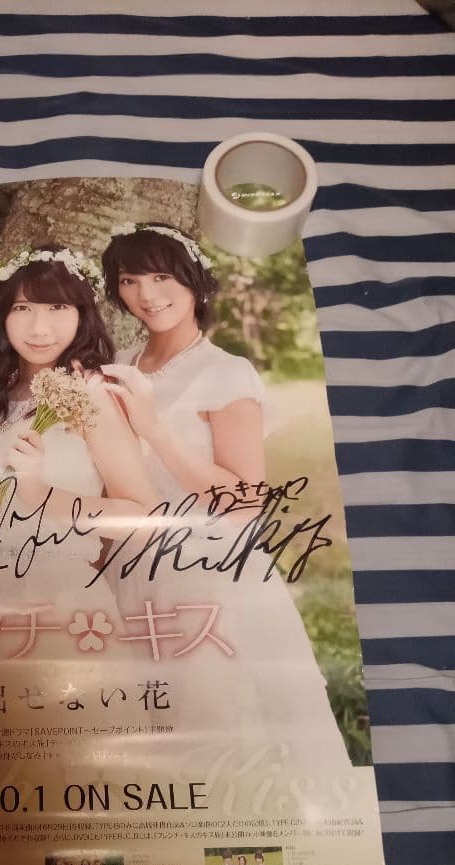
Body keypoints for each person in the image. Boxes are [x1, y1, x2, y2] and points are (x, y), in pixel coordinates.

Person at [98, 222, 350, 769]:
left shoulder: (225, 373)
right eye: (130, 280)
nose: (146, 294)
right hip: (126, 568)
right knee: (146, 735)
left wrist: (155, 430)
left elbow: (246, 502)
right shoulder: (120, 363)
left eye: (161, 277)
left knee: (212, 730)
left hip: (206, 570)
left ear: (194, 281)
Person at [0, 246, 155, 670]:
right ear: (2, 316)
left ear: (81, 315)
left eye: (58, 307)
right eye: (23, 308)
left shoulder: (92, 396)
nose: (40, 328)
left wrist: (43, 495)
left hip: (54, 600)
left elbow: (143, 520)